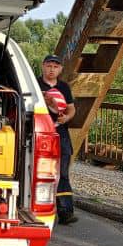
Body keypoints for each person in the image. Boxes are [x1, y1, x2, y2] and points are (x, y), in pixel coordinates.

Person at [38, 53, 78, 225]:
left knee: (62, 171)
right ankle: (37, 208)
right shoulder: (34, 84)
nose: (52, 69)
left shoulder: (64, 87)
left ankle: (65, 212)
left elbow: (71, 109)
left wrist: (66, 118)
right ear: (43, 66)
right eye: (49, 65)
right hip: (39, 132)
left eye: (55, 66)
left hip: (60, 132)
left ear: (60, 69)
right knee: (39, 170)